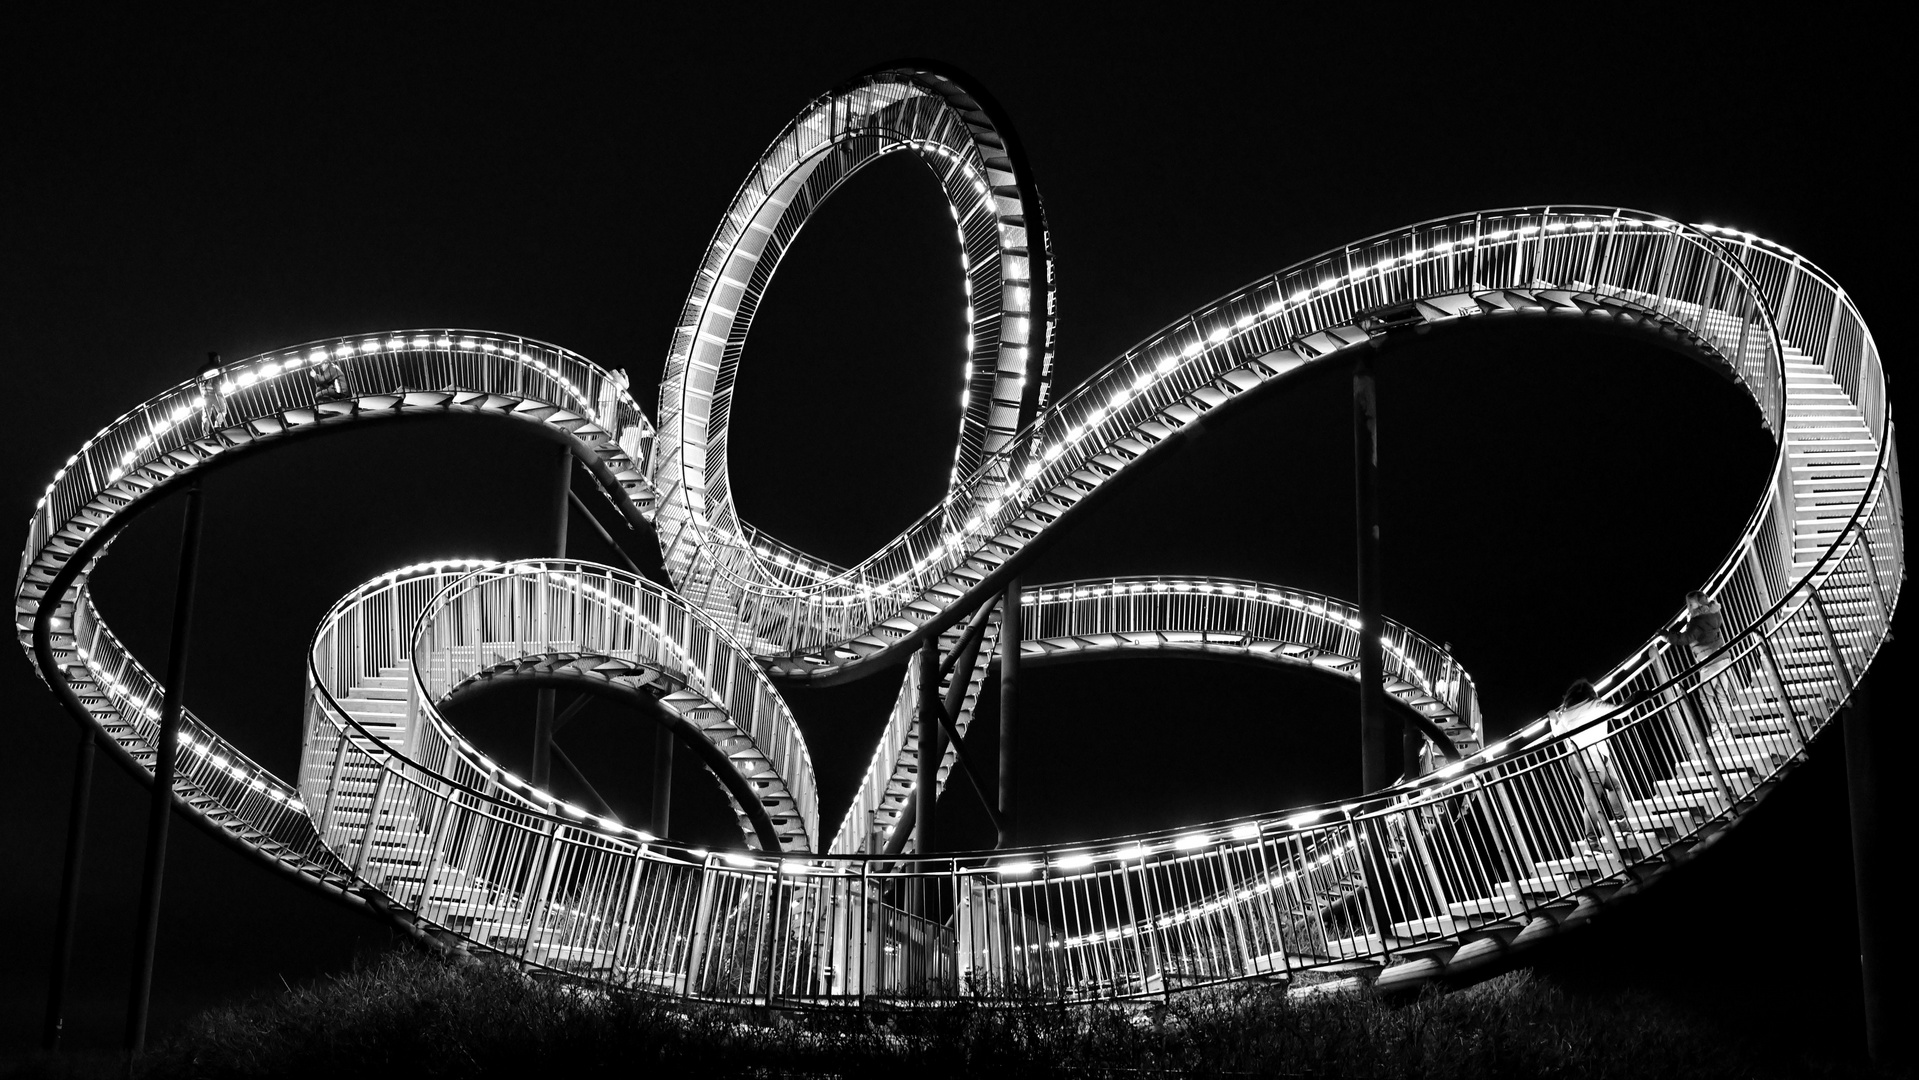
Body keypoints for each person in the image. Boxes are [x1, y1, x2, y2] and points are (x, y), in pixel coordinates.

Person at [1550, 679, 1623, 846]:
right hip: (1591, 756)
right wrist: (1634, 698)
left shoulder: (1566, 714)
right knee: (1593, 799)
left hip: (1576, 760)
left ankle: (1622, 825)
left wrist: (1553, 719)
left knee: (1613, 785)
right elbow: (1620, 711)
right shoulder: (1595, 704)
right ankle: (1591, 842)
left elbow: (1558, 734)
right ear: (1590, 693)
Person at [1673, 589, 1735, 729]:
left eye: (1689, 604)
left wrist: (1666, 635)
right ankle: (1726, 725)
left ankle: (1717, 728)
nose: (1687, 607)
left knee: (1706, 697)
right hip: (1723, 657)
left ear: (1695, 604)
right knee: (1722, 693)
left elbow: (1686, 638)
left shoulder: (1697, 621)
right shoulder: (1714, 612)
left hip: (1709, 661)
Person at [196, 355, 229, 438]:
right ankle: (217, 425)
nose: (220, 360)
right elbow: (225, 380)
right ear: (215, 359)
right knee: (222, 410)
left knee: (206, 416)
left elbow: (196, 379)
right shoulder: (220, 368)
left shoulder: (202, 369)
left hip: (205, 394)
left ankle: (205, 435)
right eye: (219, 358)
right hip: (216, 393)